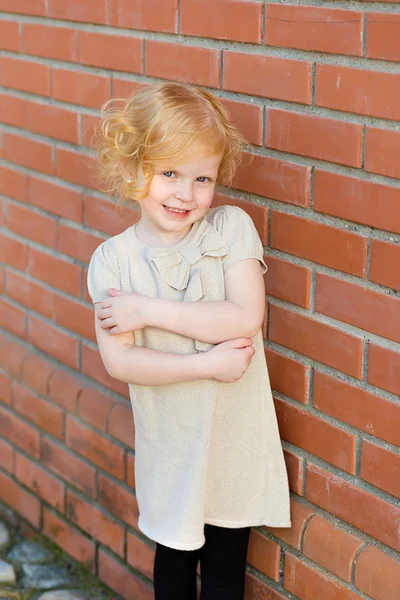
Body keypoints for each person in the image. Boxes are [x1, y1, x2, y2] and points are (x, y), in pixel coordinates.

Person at [87, 82, 291, 600]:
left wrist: (148, 309)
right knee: (175, 559)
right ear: (132, 170)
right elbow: (121, 361)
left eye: (203, 178)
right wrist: (207, 366)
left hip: (233, 439)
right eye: (169, 173)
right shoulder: (114, 261)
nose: (186, 193)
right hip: (173, 441)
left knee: (226, 562)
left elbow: (245, 316)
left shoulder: (229, 229)